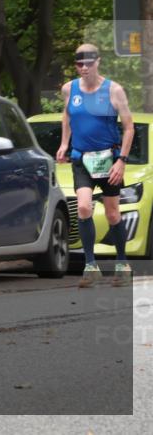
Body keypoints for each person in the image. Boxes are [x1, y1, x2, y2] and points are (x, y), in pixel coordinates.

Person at [56, 44, 135, 288]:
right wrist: (64, 143)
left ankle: (122, 263)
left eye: (88, 63)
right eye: (79, 64)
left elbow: (129, 127)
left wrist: (121, 160)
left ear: (98, 62)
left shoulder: (114, 90)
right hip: (81, 159)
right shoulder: (69, 89)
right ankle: (91, 265)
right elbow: (67, 115)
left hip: (109, 159)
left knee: (112, 214)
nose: (84, 68)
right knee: (82, 208)